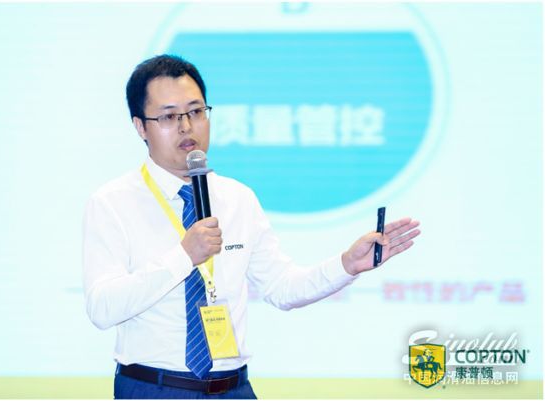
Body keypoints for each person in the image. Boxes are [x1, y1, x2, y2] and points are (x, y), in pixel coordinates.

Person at [82, 54, 421, 399]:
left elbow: (282, 287)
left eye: (196, 112)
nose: (186, 127)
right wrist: (183, 257)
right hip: (154, 388)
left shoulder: (237, 198)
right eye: (169, 116)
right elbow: (102, 308)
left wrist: (347, 264)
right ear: (141, 126)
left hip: (233, 389)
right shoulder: (113, 202)